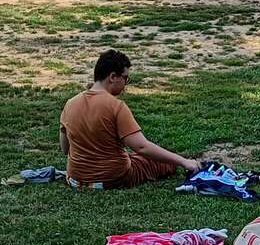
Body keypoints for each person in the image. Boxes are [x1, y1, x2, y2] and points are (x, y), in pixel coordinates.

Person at [59, 49, 200, 190]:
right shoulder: (115, 106)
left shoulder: (70, 104)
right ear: (113, 76)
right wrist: (183, 162)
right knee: (162, 162)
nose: (126, 83)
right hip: (112, 179)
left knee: (134, 157)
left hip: (75, 179)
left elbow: (65, 148)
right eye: (125, 78)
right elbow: (141, 147)